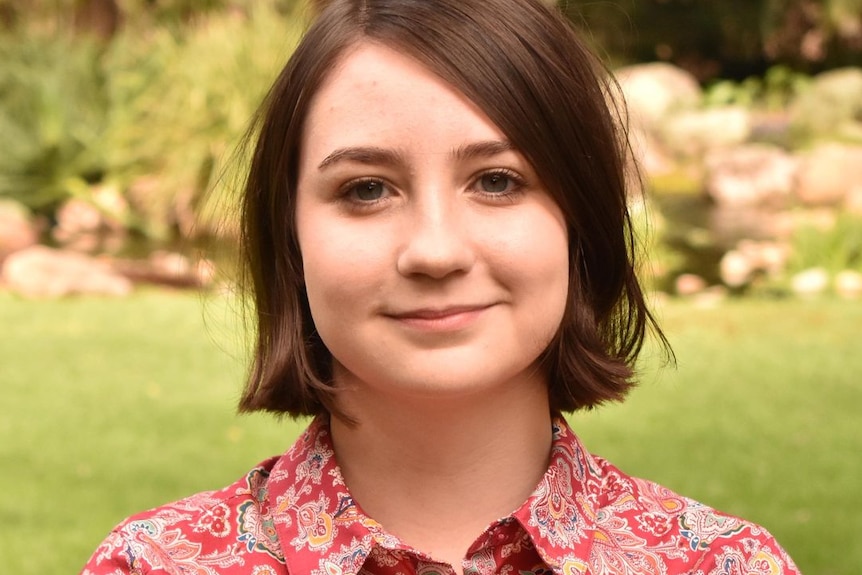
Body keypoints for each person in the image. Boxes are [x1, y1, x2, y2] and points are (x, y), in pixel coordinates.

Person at [82, 0, 802, 574]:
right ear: (291, 238)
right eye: (366, 189)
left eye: (497, 180)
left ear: (580, 220)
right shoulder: (152, 565)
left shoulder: (723, 564)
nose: (434, 249)